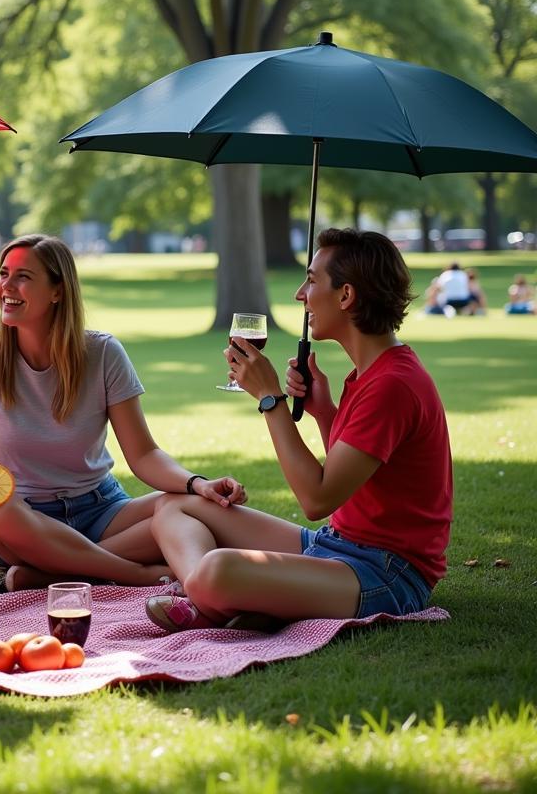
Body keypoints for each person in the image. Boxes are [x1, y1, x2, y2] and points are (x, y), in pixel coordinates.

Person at [145, 229, 452, 633]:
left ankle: (210, 595)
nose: (299, 294)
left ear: (346, 296)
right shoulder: (369, 374)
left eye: (311, 280)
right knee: (174, 507)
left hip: (384, 573)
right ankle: (218, 597)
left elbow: (316, 498)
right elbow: (351, 479)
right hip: (336, 546)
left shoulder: (392, 384)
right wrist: (324, 412)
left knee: (218, 568)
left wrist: (270, 399)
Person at [0, 234, 246, 591]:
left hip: (101, 509)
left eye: (23, 276)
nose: (6, 286)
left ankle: (53, 574)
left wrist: (197, 484)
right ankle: (132, 575)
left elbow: (143, 454)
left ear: (58, 291)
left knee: (187, 507)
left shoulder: (103, 353)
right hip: (23, 519)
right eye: (3, 273)